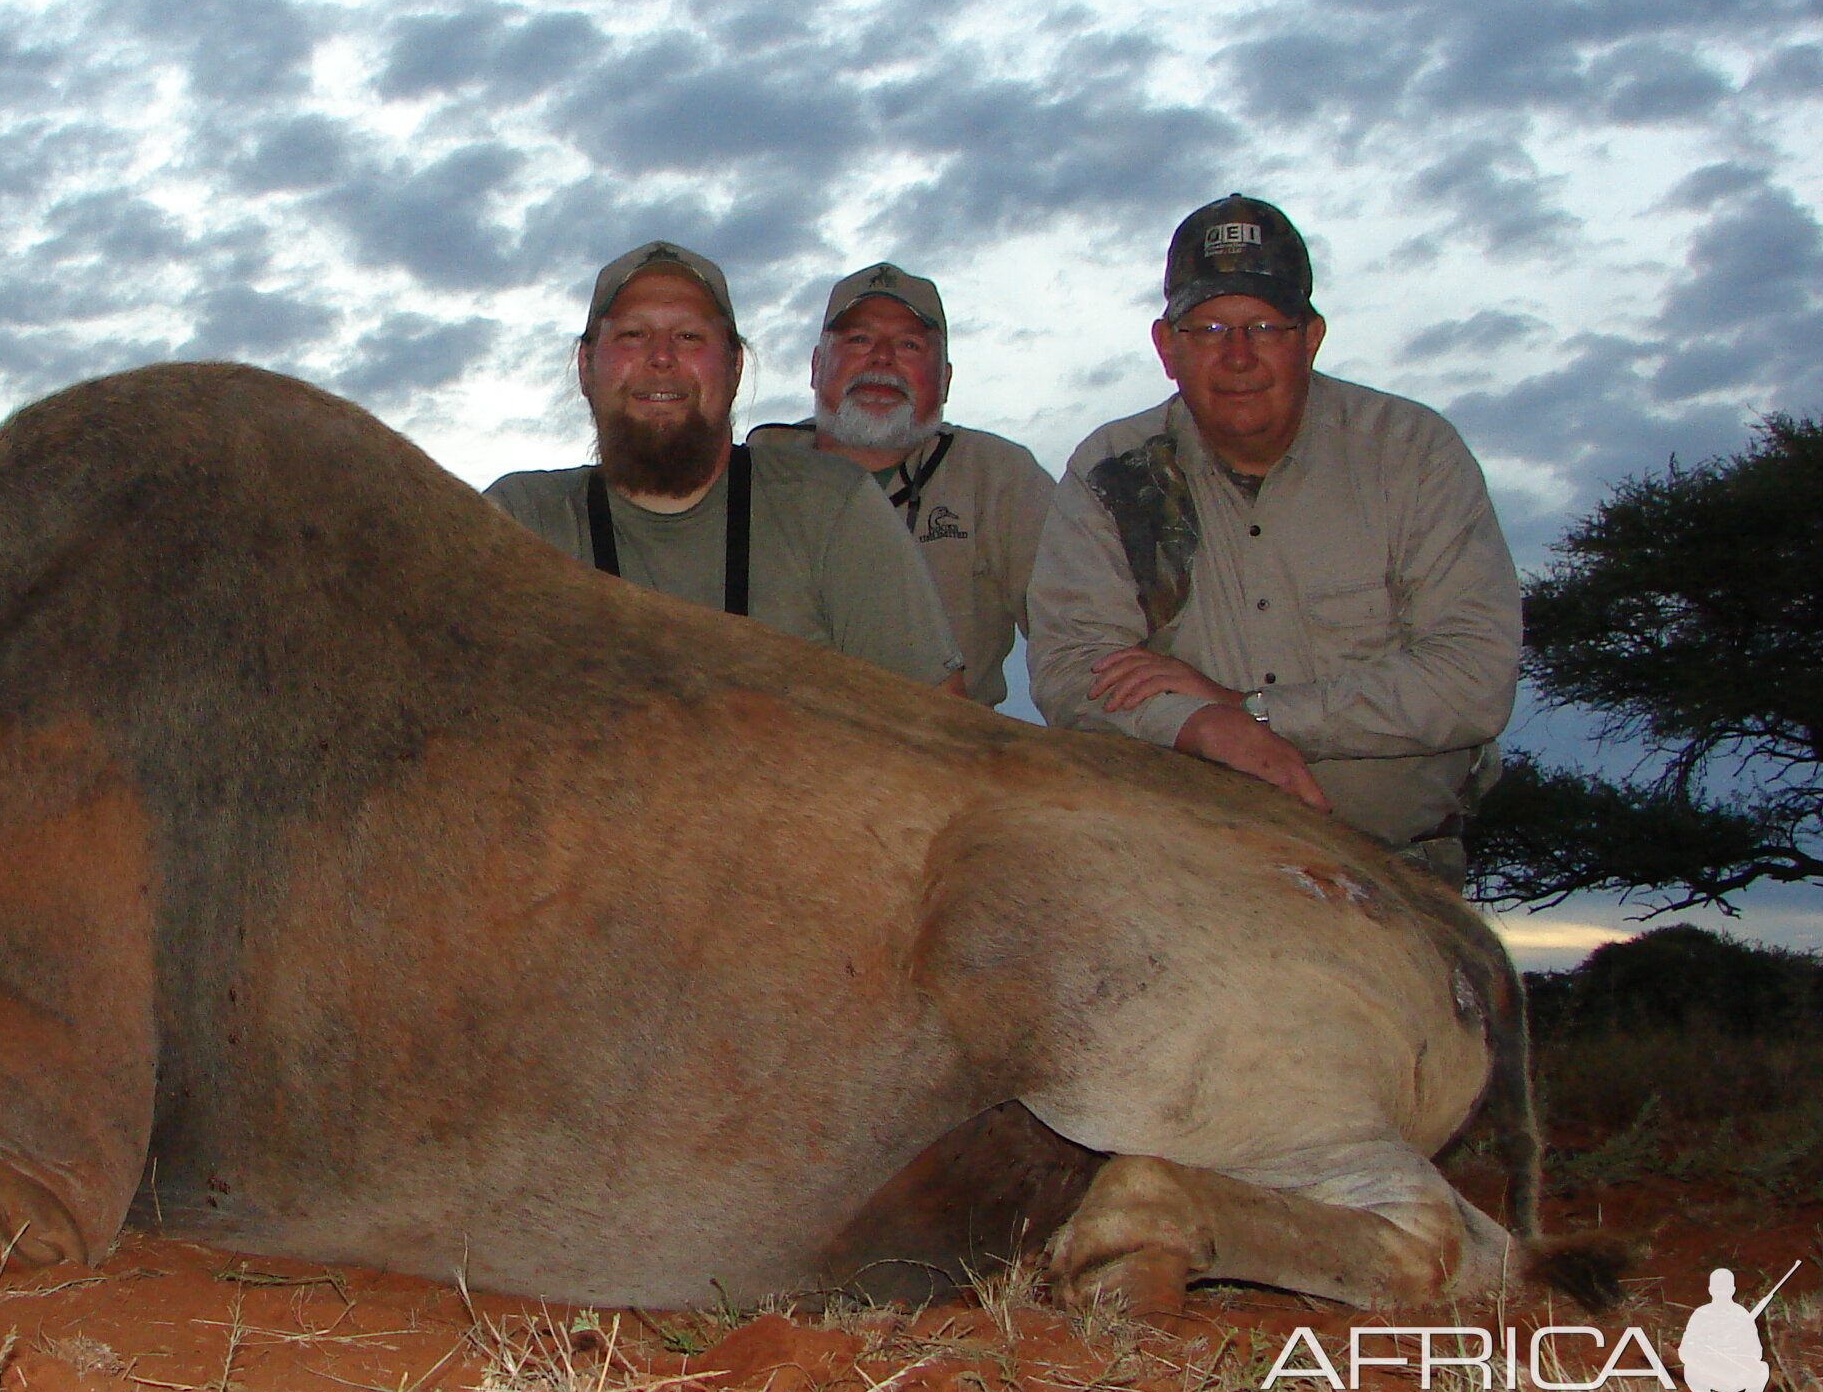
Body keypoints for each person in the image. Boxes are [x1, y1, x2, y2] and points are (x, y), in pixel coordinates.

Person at [1025, 195, 1520, 882]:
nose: (1237, 357)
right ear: (1167, 347)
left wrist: (1248, 711)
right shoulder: (1111, 469)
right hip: (1191, 869)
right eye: (1207, 329)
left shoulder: (1413, 452)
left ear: (1309, 337)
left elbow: (1474, 680)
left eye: (1263, 325)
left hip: (1398, 868)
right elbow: (1072, 665)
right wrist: (1199, 726)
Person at [487, 241, 965, 690]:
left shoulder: (830, 507)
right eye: (633, 334)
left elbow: (940, 729)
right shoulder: (519, 523)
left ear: (735, 366)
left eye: (689, 336)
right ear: (585, 364)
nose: (661, 356)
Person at [748, 262, 1054, 707]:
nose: (882, 358)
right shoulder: (754, 475)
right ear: (816, 366)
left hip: (943, 754)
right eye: (858, 340)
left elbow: (1074, 629)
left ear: (945, 379)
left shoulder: (998, 475)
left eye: (909, 345)